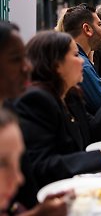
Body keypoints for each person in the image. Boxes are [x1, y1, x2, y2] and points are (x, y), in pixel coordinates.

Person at [15, 31, 101, 188]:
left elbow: (92, 134)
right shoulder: (35, 100)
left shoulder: (70, 94)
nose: (82, 61)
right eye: (75, 55)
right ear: (56, 65)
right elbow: (42, 165)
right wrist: (100, 159)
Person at [0, 22, 68, 215]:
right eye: (15, 59)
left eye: (25, 58)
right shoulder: (29, 101)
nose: (26, 67)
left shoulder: (10, 108)